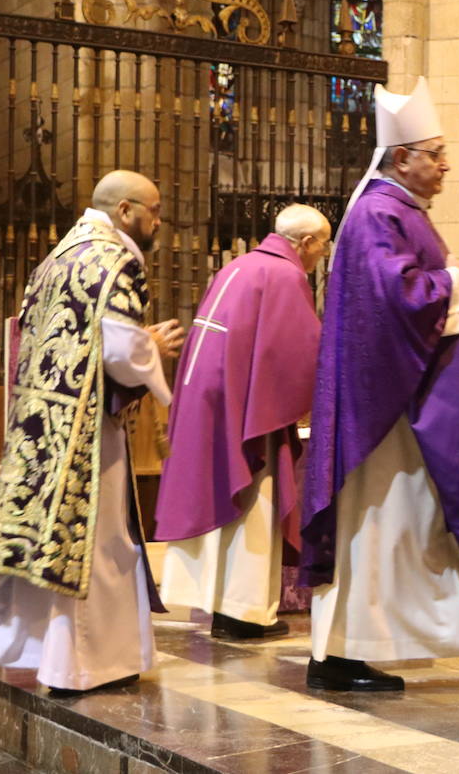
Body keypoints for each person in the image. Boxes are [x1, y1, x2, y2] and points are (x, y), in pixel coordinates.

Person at [300, 77, 459, 692]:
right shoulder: (381, 212)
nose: (446, 165)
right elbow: (398, 298)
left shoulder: (397, 211)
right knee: (402, 526)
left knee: (414, 528)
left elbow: (418, 289)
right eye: (436, 153)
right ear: (402, 158)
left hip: (408, 399)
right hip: (395, 415)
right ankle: (346, 656)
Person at [0, 171, 185, 693]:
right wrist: (155, 354)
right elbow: (118, 347)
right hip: (86, 433)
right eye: (154, 211)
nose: (159, 222)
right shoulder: (114, 260)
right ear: (125, 212)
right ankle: (83, 666)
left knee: (45, 542)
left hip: (41, 422)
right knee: (95, 544)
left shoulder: (60, 255)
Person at [154, 205, 330, 637]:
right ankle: (243, 613)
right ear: (306, 243)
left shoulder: (240, 267)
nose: (321, 257)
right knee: (255, 500)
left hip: (213, 403)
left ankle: (220, 605)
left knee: (222, 497)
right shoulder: (285, 276)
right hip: (248, 411)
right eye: (323, 247)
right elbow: (301, 354)